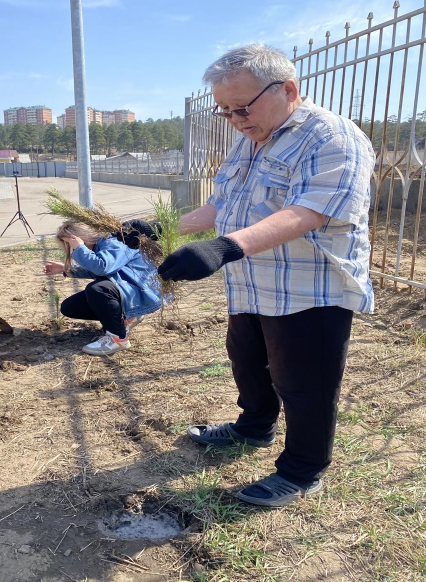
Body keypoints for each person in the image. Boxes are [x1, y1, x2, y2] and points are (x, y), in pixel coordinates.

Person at [156, 44, 375, 508]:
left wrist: (227, 246)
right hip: (253, 280)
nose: (235, 119)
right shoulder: (251, 137)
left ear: (287, 89)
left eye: (242, 108)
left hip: (309, 288)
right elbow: (223, 203)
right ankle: (253, 427)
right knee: (247, 360)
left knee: (304, 383)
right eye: (226, 111)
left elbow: (311, 210)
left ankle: (302, 469)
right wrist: (164, 225)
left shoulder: (332, 137)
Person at [43, 221, 161, 356]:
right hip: (128, 289)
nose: (72, 248)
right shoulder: (102, 244)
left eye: (70, 243)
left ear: (81, 236)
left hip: (141, 292)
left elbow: (101, 267)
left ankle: (117, 338)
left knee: (98, 289)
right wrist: (67, 269)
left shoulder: (115, 241)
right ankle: (122, 321)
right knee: (69, 307)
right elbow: (99, 270)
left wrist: (81, 248)